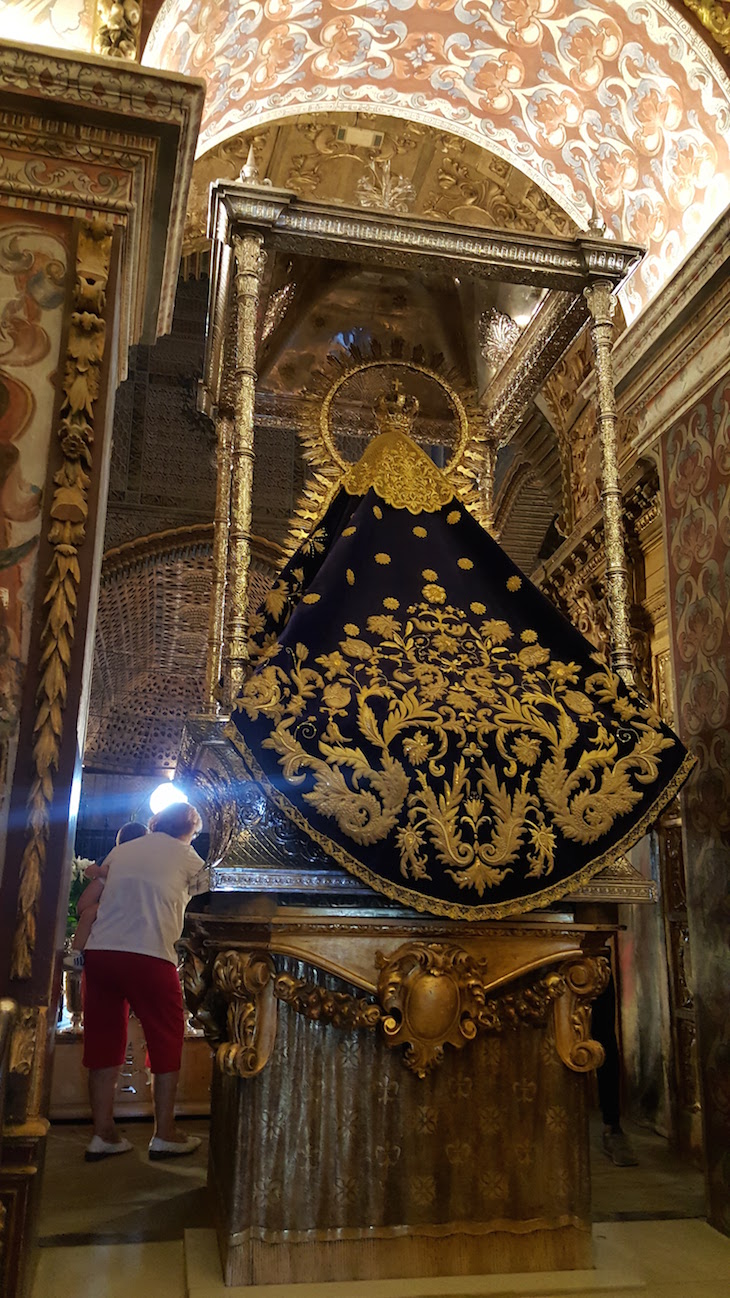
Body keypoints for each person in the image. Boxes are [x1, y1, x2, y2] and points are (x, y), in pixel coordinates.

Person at [82, 801, 208, 1163]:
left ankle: (102, 1135)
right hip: (150, 953)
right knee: (166, 1040)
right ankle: (165, 1134)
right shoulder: (187, 855)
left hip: (101, 952)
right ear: (190, 830)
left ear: (156, 822)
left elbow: (97, 891)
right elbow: (214, 894)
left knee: (103, 1043)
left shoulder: (122, 849)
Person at [64, 822, 148, 971]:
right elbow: (90, 872)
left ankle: (78, 951)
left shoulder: (144, 863)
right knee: (89, 913)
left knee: (89, 913)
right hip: (115, 903)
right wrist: (105, 873)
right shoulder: (113, 859)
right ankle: (77, 952)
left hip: (131, 905)